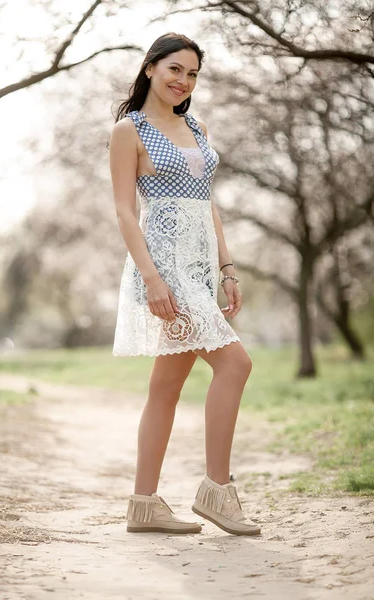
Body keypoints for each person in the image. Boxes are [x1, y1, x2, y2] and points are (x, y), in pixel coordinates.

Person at [108, 32, 260, 536]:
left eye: (192, 74)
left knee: (166, 388)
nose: (183, 81)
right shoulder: (129, 130)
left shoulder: (195, 124)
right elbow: (126, 211)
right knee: (236, 364)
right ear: (151, 67)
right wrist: (151, 278)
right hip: (164, 264)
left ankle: (144, 505)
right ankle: (218, 492)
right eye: (175, 69)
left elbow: (207, 201)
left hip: (198, 266)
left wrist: (227, 267)